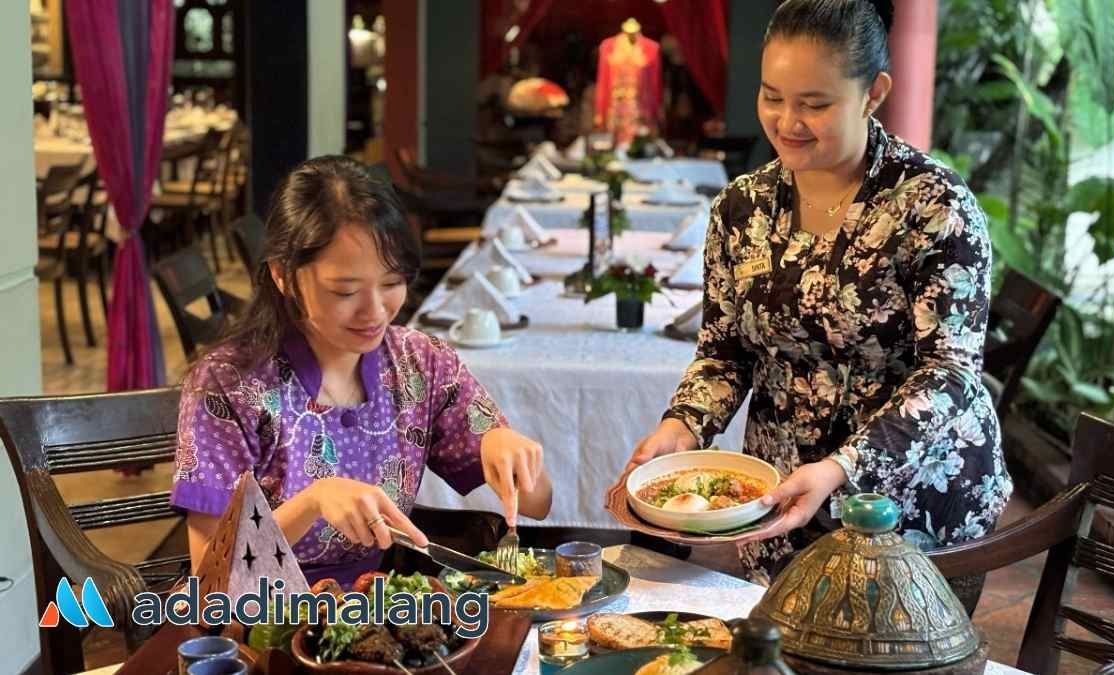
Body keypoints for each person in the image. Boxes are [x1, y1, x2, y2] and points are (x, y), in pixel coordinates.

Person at [626, 0, 1011, 591]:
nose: (787, 122)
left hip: (912, 501)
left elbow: (950, 375)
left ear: (873, 93)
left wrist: (841, 466)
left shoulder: (934, 205)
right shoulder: (742, 207)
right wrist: (684, 424)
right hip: (781, 494)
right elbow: (724, 351)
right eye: (772, 97)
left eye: (815, 104)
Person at [170, 156, 552, 587]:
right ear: (283, 276)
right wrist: (312, 502)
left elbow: (538, 505)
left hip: (376, 602)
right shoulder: (228, 384)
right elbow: (211, 577)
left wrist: (508, 449)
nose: (374, 312)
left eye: (391, 284)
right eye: (345, 291)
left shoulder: (419, 362)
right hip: (261, 609)